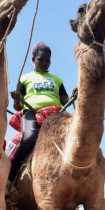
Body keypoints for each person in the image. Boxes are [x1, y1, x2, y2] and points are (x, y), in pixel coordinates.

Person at [8, 42, 68, 186]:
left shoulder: (57, 79)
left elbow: (65, 100)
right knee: (29, 137)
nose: (45, 63)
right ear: (33, 59)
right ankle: (10, 178)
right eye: (41, 60)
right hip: (31, 113)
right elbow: (17, 106)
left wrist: (74, 95)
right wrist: (17, 99)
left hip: (56, 113)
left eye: (48, 60)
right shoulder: (24, 78)